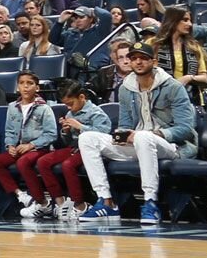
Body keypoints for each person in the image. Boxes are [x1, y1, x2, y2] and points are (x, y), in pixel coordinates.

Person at [79, 41, 198, 225]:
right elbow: (126, 124)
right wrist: (122, 136)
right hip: (140, 144)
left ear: (154, 62)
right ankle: (106, 201)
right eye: (134, 58)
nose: (138, 62)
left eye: (143, 58)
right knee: (87, 138)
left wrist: (155, 134)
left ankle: (150, 202)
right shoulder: (126, 89)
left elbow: (185, 129)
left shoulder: (173, 87)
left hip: (172, 146)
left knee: (143, 136)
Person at [29, 79, 110, 221]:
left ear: (82, 97)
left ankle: (80, 205)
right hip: (73, 147)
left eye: (71, 104)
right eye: (66, 105)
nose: (68, 108)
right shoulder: (70, 114)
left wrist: (80, 126)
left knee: (68, 165)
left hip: (92, 151)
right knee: (43, 162)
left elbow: (104, 134)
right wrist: (66, 132)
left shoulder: (96, 113)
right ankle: (59, 202)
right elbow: (68, 141)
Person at [0, 72, 56, 219]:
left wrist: (31, 145)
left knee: (23, 162)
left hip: (40, 148)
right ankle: (22, 195)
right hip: (20, 148)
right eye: (22, 83)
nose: (25, 87)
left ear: (37, 88)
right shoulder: (13, 106)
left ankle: (42, 202)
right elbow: (10, 131)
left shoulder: (44, 108)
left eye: (29, 83)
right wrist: (10, 146)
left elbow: (51, 134)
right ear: (17, 86)